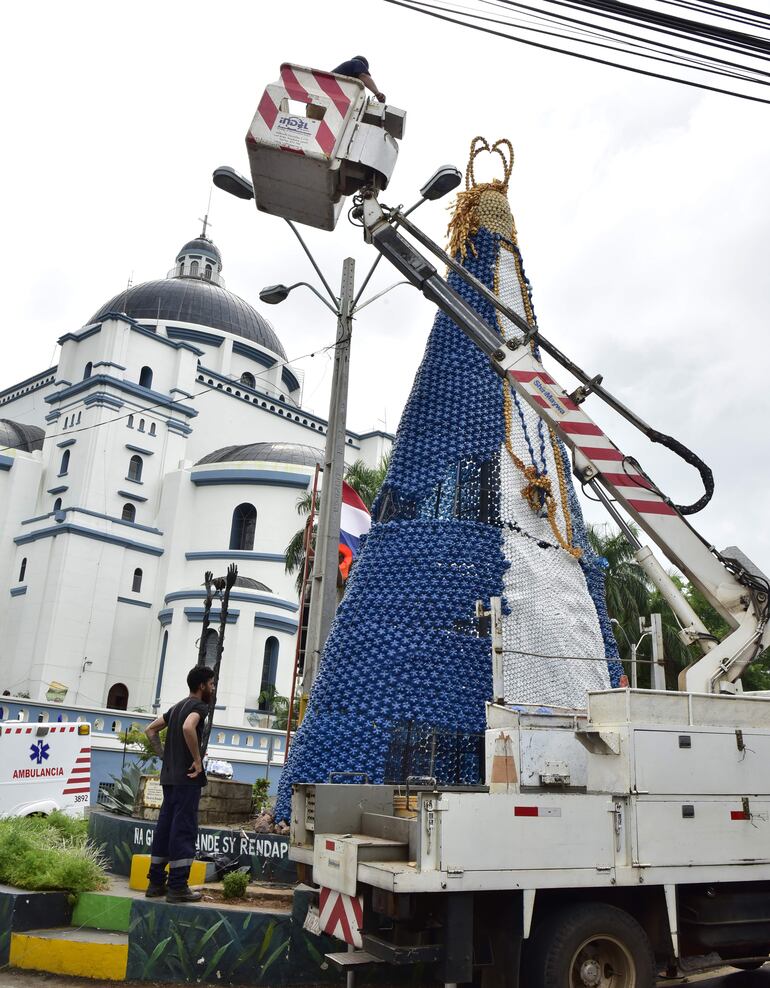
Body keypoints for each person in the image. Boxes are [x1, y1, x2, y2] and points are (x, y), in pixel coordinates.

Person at [143, 665, 215, 903]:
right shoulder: (198, 707)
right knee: (183, 828)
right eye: (211, 684)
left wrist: (164, 755)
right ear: (202, 685)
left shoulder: (175, 708)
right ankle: (177, 887)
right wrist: (197, 761)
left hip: (169, 779)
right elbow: (188, 727)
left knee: (164, 827)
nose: (213, 688)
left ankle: (155, 883)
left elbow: (150, 730)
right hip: (187, 779)